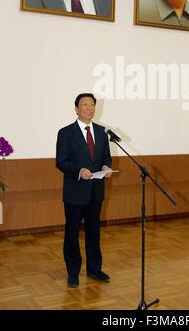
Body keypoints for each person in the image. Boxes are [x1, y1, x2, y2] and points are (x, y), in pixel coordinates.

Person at [56, 93, 112, 287]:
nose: (89, 108)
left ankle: (94, 269)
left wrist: (106, 167)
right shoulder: (65, 133)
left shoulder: (102, 132)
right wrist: (78, 171)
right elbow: (61, 162)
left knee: (94, 231)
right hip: (75, 190)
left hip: (96, 190)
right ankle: (73, 272)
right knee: (72, 232)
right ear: (76, 109)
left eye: (92, 105)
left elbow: (105, 157)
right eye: (85, 105)